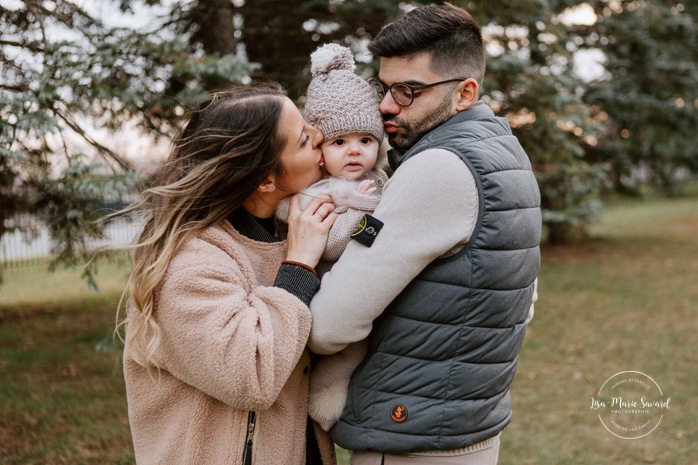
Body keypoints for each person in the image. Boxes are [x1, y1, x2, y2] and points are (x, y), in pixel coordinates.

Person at [307, 3, 542, 465]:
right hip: (463, 426)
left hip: (409, 437)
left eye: (408, 91)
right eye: (384, 87)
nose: (386, 105)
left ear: (465, 92)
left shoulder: (437, 169)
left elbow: (330, 326)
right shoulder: (504, 151)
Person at [118, 83, 339, 465]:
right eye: (303, 139)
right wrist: (300, 265)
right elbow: (250, 373)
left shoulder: (290, 233)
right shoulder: (188, 262)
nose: (319, 137)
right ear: (266, 180)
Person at [276, 43, 388, 273]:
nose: (355, 151)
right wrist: (359, 209)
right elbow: (329, 248)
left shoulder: (379, 175)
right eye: (339, 142)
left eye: (365, 140)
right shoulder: (317, 194)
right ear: (320, 147)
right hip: (336, 286)